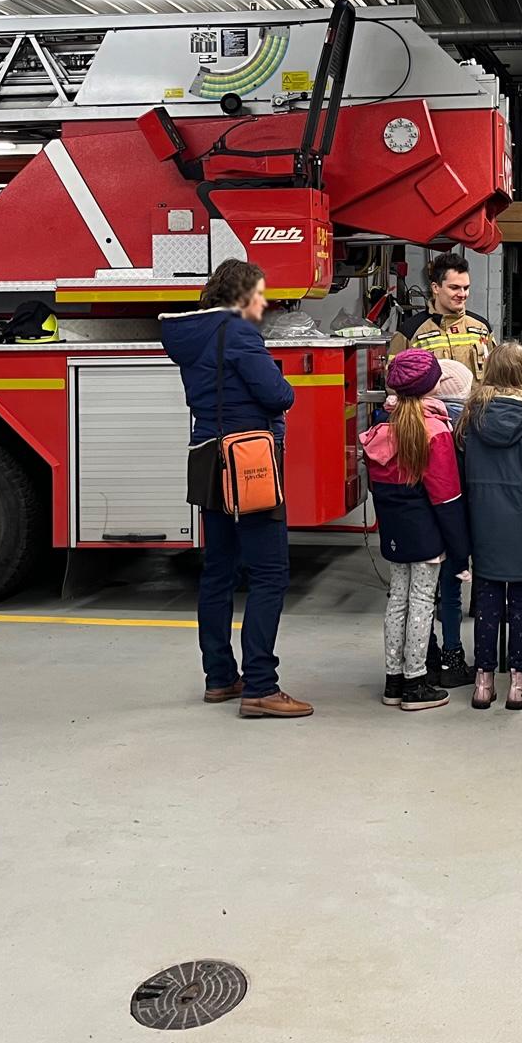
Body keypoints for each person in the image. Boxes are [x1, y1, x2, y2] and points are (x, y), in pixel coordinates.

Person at [160, 258, 312, 720]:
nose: (264, 304)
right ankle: (262, 687)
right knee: (269, 573)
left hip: (208, 460)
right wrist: (281, 380)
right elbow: (278, 395)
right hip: (248, 464)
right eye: (260, 295)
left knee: (218, 572)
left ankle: (220, 678)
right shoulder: (240, 333)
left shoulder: (192, 337)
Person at [362, 350, 471, 712]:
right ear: (430, 388)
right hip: (427, 535)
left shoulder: (381, 432)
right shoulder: (435, 432)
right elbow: (447, 498)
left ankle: (393, 681)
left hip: (393, 533)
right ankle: (415, 683)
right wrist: (460, 549)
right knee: (423, 603)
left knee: (397, 600)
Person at [458, 342, 522, 710]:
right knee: (521, 601)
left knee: (488, 599)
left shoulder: (471, 416)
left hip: (483, 518)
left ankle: (483, 681)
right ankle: (519, 681)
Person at [426, 356, 475, 685]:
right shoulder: (468, 431)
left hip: (422, 526)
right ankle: (453, 656)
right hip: (456, 523)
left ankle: (424, 657)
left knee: (422, 594)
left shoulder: (418, 422)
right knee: (452, 591)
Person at [391, 251, 494, 374]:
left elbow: (496, 377)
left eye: (466, 288)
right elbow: (393, 381)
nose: (462, 294)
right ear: (435, 288)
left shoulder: (482, 328)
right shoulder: (409, 332)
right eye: (454, 288)